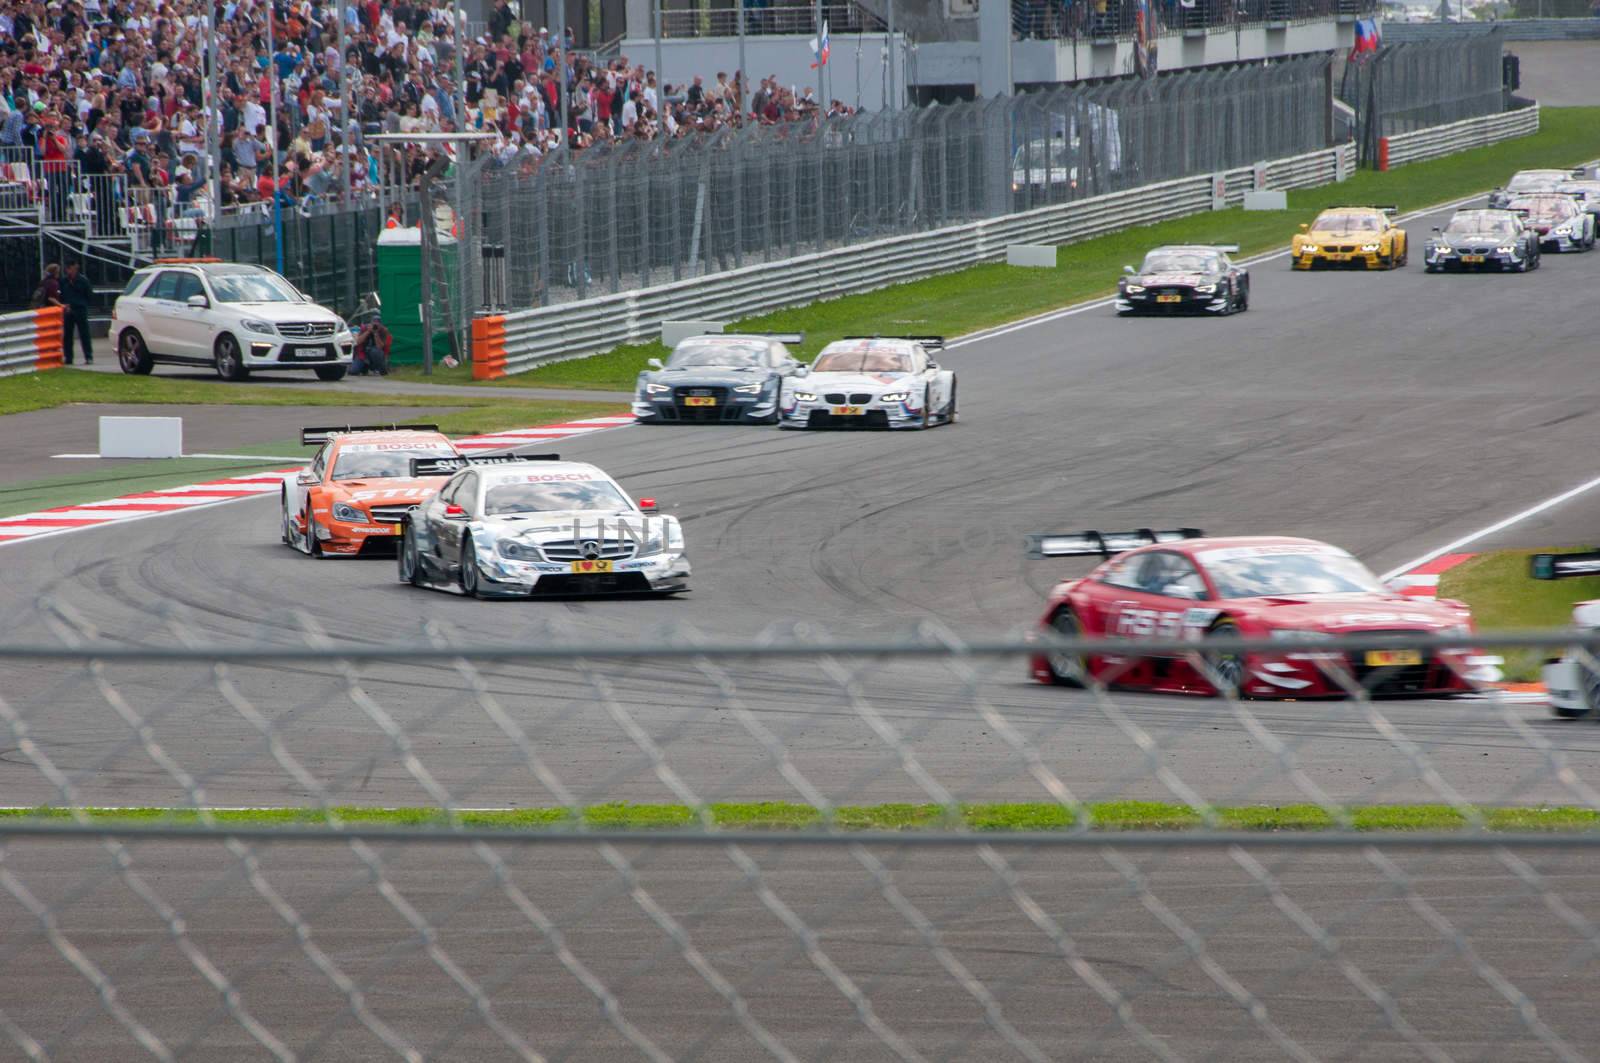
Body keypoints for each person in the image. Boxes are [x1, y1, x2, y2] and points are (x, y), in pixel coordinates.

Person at [60, 262, 94, 365]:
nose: (70, 271)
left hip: (80, 309)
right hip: (68, 310)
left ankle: (88, 356)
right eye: (69, 269)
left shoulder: (83, 280)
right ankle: (68, 357)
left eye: (73, 269)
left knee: (84, 334)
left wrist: (82, 304)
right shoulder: (64, 281)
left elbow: (89, 295)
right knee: (67, 335)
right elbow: (61, 294)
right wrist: (65, 305)